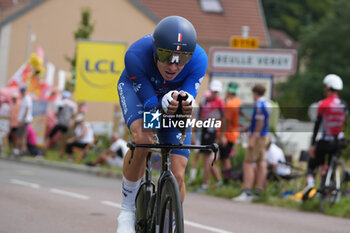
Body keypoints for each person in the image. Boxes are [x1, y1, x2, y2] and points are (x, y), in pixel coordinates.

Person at [116, 16, 207, 232]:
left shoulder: (199, 60)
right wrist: (161, 105)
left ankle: (169, 223)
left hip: (171, 99)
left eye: (181, 58)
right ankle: (126, 210)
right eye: (166, 56)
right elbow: (150, 105)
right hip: (141, 93)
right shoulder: (136, 55)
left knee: (177, 171)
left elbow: (188, 97)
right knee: (144, 139)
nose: (173, 66)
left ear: (190, 56)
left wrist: (184, 104)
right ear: (156, 50)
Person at [306, 74, 347, 188]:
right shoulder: (344, 105)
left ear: (327, 87)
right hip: (338, 142)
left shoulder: (323, 104)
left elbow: (317, 124)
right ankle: (330, 187)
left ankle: (310, 186)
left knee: (312, 163)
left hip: (325, 142)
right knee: (331, 165)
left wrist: (313, 144)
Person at [233, 84, 271, 202]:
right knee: (261, 162)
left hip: (258, 137)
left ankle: (247, 191)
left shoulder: (259, 105)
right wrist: (245, 119)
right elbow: (258, 121)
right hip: (264, 136)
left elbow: (259, 123)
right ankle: (258, 191)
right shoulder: (265, 104)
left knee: (247, 163)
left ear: (255, 93)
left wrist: (253, 138)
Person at [192, 80, 224, 193]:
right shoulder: (204, 102)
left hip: (214, 133)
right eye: (214, 91)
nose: (215, 93)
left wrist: (221, 136)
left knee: (209, 160)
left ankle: (207, 184)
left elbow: (223, 120)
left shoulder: (220, 102)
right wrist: (194, 133)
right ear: (210, 90)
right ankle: (214, 183)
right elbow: (198, 118)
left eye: (217, 92)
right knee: (207, 160)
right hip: (204, 132)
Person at [218, 82, 249, 184]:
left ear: (228, 91)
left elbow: (227, 121)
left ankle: (227, 181)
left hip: (228, 134)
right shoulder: (237, 101)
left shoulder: (230, 104)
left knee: (225, 159)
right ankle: (227, 180)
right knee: (224, 158)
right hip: (233, 133)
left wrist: (222, 136)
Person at [45, 90, 77, 157]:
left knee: (50, 136)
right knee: (64, 140)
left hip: (59, 123)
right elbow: (74, 115)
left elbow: (55, 114)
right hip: (66, 124)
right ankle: (61, 153)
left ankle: (44, 150)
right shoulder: (72, 104)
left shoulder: (59, 103)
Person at [16, 86, 33, 155]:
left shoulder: (27, 99)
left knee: (22, 135)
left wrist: (22, 120)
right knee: (20, 135)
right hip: (21, 120)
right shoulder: (23, 99)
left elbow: (27, 110)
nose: (22, 92)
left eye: (23, 91)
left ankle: (22, 150)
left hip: (24, 120)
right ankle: (20, 149)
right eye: (22, 91)